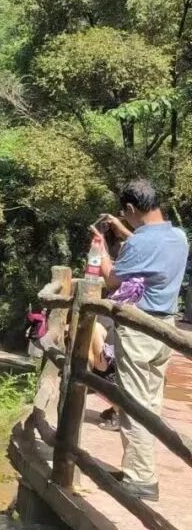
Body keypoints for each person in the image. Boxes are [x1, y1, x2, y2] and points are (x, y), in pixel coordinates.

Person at [90, 179, 189, 501]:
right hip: (165, 328)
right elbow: (149, 248)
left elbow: (111, 277)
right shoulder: (178, 237)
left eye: (125, 214)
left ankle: (141, 479)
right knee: (150, 401)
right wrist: (121, 229)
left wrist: (101, 248)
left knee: (132, 403)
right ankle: (138, 468)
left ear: (131, 208)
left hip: (139, 327)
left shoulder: (139, 244)